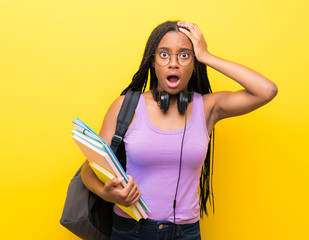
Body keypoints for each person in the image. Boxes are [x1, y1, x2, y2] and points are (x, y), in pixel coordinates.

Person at [81, 20, 278, 240]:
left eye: (184, 55)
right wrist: (106, 194)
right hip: (130, 230)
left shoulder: (208, 108)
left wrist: (206, 55)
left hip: (186, 233)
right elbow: (89, 169)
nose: (173, 63)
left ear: (194, 64)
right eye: (164, 54)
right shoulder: (125, 106)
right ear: (152, 61)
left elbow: (267, 90)